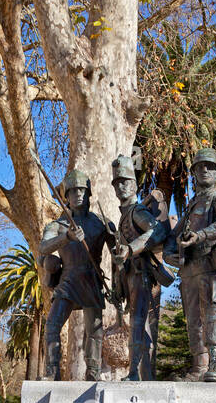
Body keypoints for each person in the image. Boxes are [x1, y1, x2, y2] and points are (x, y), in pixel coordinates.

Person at [167, 147, 216, 383]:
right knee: (193, 321)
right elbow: (173, 236)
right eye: (200, 166)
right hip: (189, 271)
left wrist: (201, 236)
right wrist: (170, 256)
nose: (204, 170)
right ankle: (199, 366)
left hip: (210, 266)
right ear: (194, 173)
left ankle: (215, 367)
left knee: (213, 315)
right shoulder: (190, 207)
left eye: (210, 166)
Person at [39, 170, 118, 381]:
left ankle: (93, 371)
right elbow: (43, 247)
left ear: (89, 192)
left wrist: (117, 242)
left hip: (92, 279)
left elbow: (118, 255)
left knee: (95, 331)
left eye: (82, 190)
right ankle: (51, 371)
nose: (78, 195)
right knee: (53, 325)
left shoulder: (102, 222)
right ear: (66, 197)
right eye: (73, 192)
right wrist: (67, 237)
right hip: (68, 279)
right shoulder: (58, 225)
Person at [111, 154, 173, 380]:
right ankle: (145, 376)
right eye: (117, 183)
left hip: (141, 275)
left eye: (125, 182)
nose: (121, 187)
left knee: (137, 323)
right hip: (130, 277)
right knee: (139, 325)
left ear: (135, 185)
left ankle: (134, 374)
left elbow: (158, 231)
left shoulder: (136, 211)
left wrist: (130, 249)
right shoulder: (123, 217)